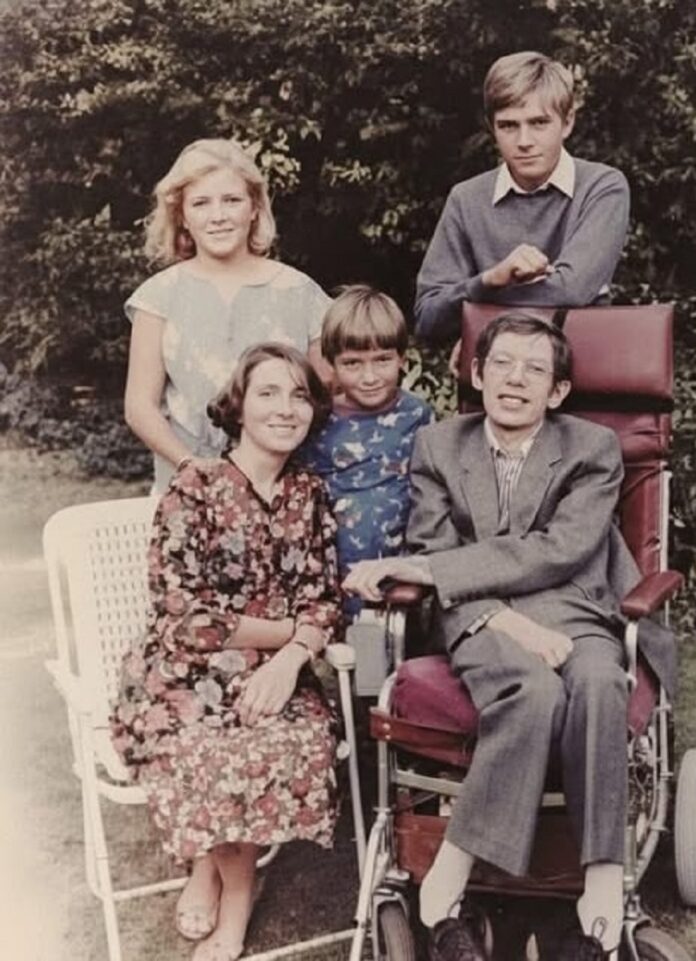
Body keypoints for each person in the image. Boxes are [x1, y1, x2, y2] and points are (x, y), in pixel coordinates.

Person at [343, 314, 645, 961]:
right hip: (479, 615)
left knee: (597, 680)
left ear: (557, 392)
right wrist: (503, 620)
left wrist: (432, 571)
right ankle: (451, 874)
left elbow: (561, 549)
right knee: (532, 692)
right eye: (502, 363)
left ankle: (600, 883)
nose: (516, 378)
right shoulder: (439, 447)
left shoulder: (592, 449)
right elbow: (433, 542)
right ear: (476, 374)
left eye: (536, 368)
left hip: (573, 607)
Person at [111, 343, 341, 961]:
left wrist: (292, 662)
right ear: (238, 406)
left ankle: (213, 873)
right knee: (213, 751)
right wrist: (287, 631)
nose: (286, 409)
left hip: (277, 670)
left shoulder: (309, 495)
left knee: (283, 739)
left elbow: (325, 603)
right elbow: (186, 617)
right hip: (183, 673)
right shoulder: (196, 486)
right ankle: (234, 893)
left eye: (299, 395)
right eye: (268, 392)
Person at [124, 138, 332, 493]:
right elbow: (139, 406)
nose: (218, 216)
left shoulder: (302, 293)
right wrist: (192, 466)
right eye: (201, 203)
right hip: (189, 489)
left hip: (284, 489)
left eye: (232, 200)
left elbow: (326, 393)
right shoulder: (158, 297)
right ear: (182, 216)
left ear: (254, 208)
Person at [414, 51, 630, 349]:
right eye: (508, 125)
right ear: (492, 128)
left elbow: (572, 291)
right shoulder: (467, 199)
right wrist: (491, 278)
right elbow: (428, 318)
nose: (524, 141)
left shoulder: (601, 186)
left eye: (539, 123)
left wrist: (478, 315)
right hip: (495, 382)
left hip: (582, 367)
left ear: (567, 123)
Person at [297, 285, 432, 615]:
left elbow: (432, 489)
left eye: (383, 360)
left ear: (402, 357)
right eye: (353, 363)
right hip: (330, 568)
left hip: (398, 566)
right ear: (331, 363)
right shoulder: (317, 420)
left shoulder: (417, 415)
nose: (369, 377)